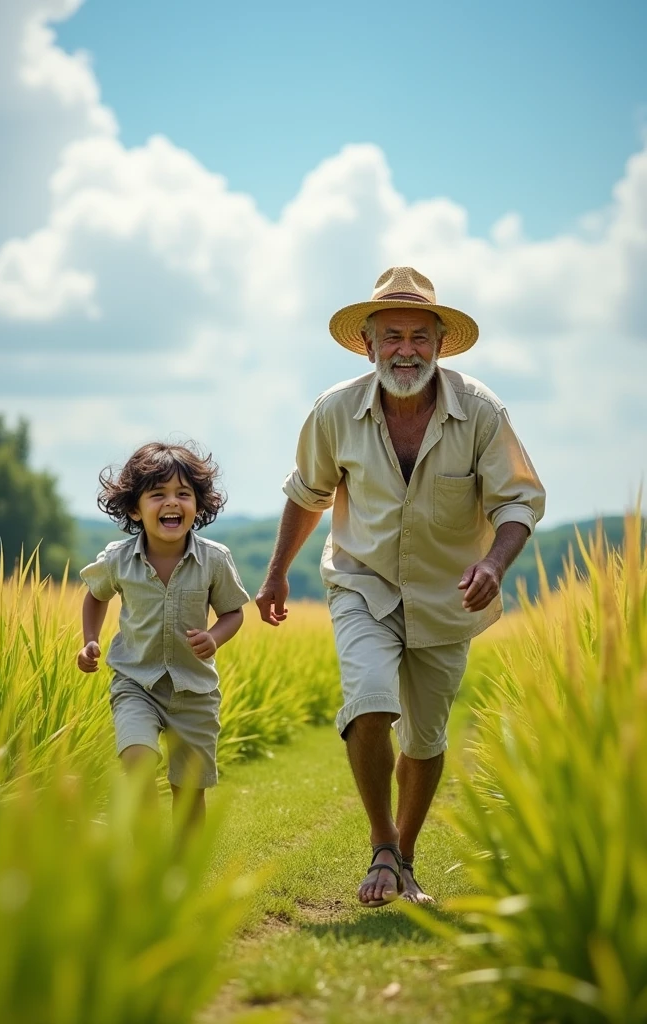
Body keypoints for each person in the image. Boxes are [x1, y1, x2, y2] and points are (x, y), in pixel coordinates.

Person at [256, 267, 545, 906]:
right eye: (393, 336)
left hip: (449, 594)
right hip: (364, 582)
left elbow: (520, 502)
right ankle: (383, 842)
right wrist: (276, 574)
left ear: (440, 344)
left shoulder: (481, 412)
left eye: (419, 336)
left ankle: (405, 856)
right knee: (369, 700)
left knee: (425, 738)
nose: (406, 349)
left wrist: (494, 564)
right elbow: (308, 494)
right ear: (368, 343)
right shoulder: (334, 411)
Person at [77, 441, 249, 838]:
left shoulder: (215, 559)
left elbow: (234, 612)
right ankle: (148, 848)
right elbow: (95, 596)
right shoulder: (117, 559)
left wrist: (214, 637)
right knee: (137, 758)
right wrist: (90, 640)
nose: (172, 502)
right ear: (135, 509)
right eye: (158, 495)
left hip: (194, 690)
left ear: (198, 505)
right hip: (136, 682)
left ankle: (183, 873)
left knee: (188, 790)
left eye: (183, 494)